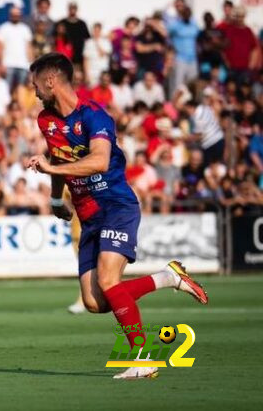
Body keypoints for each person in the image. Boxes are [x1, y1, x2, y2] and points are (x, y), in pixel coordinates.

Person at [26, 53, 208, 379]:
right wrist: (56, 198)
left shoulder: (96, 116)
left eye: (36, 83)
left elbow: (97, 161)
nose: (34, 90)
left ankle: (143, 358)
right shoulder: (46, 120)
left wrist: (51, 168)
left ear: (51, 80)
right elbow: (58, 155)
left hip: (116, 205)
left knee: (110, 281)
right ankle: (168, 277)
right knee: (95, 302)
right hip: (87, 214)